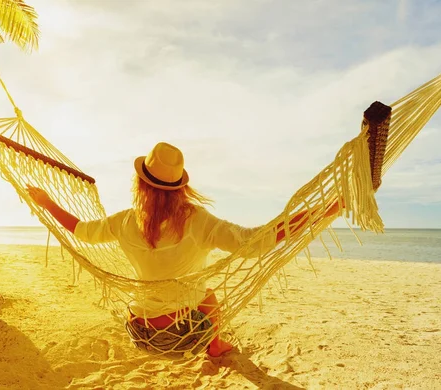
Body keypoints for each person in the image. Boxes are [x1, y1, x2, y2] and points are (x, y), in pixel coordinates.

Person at [27, 142, 341, 357]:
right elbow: (254, 243)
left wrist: (46, 202)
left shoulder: (123, 221)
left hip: (138, 331)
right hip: (178, 336)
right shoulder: (196, 221)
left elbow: (80, 230)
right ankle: (214, 347)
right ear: (181, 187)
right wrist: (319, 212)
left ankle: (210, 343)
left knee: (190, 292)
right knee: (208, 295)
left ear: (141, 184)